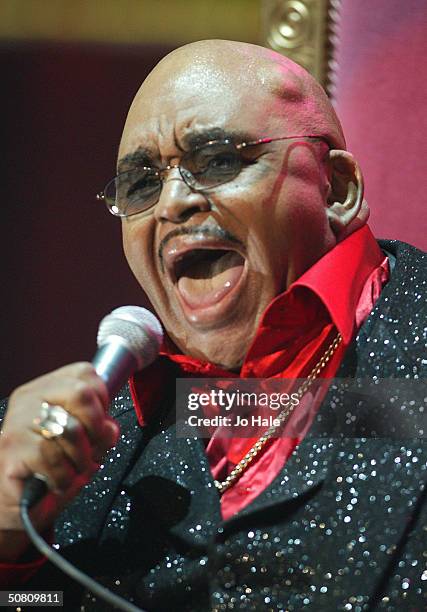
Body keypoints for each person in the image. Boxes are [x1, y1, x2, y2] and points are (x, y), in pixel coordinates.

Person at [0, 39, 426, 611]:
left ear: (339, 189)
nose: (172, 203)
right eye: (142, 183)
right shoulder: (57, 448)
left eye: (219, 160)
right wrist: (9, 547)